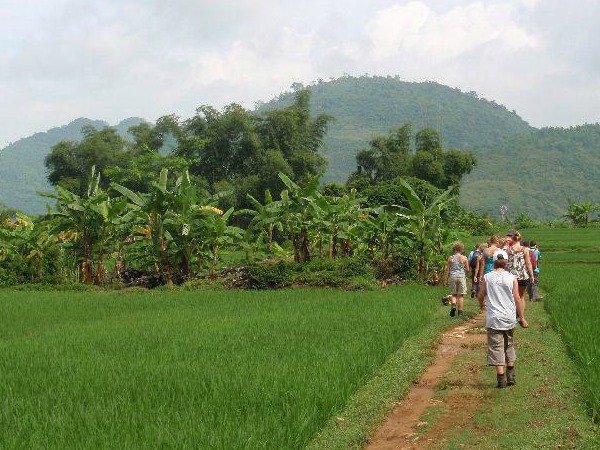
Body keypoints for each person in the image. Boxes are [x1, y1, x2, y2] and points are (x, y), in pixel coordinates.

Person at [478, 250, 528, 388]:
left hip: (494, 319)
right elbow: (517, 298)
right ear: (506, 262)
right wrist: (522, 318)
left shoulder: (487, 277)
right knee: (509, 344)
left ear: (494, 261)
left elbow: (481, 295)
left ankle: (501, 380)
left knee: (496, 347)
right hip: (509, 317)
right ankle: (510, 374)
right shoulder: (512, 278)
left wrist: (481, 304)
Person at [507, 231, 535, 309]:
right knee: (521, 296)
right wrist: (532, 275)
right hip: (523, 276)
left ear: (512, 239)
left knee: (513, 296)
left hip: (512, 276)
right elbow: (528, 263)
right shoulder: (525, 249)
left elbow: (507, 263)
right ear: (520, 239)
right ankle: (521, 315)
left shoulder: (509, 250)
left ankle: (514, 313)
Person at [444, 241, 470, 317]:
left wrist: (445, 280)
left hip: (452, 277)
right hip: (461, 277)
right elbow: (468, 270)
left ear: (454, 249)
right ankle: (460, 313)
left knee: (454, 294)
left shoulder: (451, 258)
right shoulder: (464, 258)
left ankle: (453, 306)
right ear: (462, 249)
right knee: (461, 295)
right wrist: (466, 275)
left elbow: (447, 270)